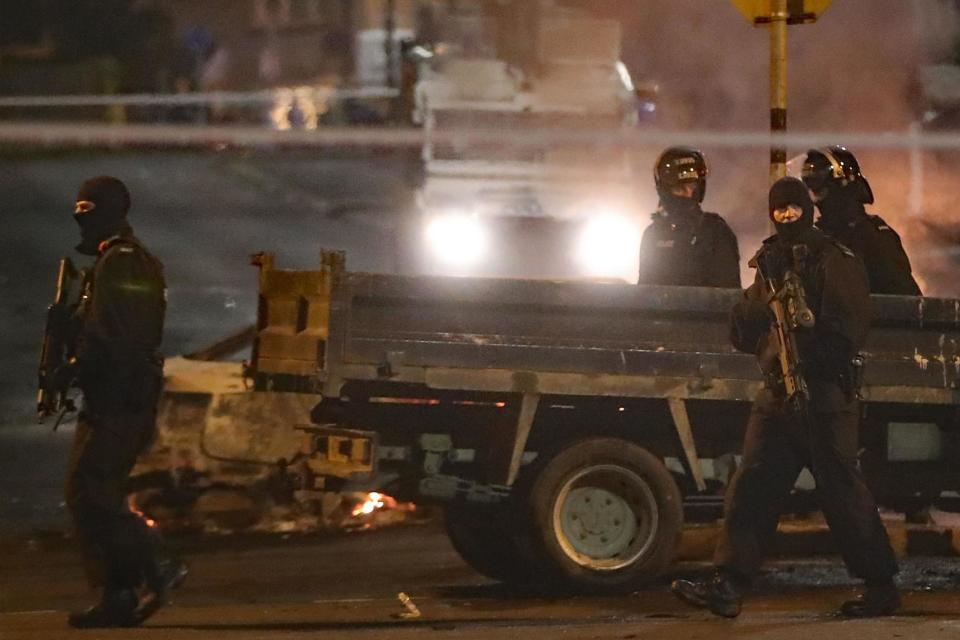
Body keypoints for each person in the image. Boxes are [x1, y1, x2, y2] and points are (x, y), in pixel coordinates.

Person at [671, 177, 900, 618]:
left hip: (825, 397)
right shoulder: (770, 261)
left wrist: (805, 343)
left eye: (795, 209)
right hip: (778, 395)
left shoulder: (835, 260)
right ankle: (729, 584)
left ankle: (880, 585)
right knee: (752, 487)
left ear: (807, 210)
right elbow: (741, 334)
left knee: (842, 492)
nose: (788, 217)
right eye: (780, 211)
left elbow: (848, 330)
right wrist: (759, 307)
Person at [58, 176, 187, 628]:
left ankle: (156, 563)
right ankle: (118, 594)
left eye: (88, 213)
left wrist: (81, 365)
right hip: (112, 396)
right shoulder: (115, 261)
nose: (82, 223)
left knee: (90, 490)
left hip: (121, 397)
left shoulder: (125, 262)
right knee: (90, 492)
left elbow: (123, 337)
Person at [802, 146, 921, 295]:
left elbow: (905, 303)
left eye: (819, 190)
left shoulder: (874, 238)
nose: (815, 198)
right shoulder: (815, 238)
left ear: (840, 185)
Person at [638, 147, 741, 287]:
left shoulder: (716, 231)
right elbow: (644, 293)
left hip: (707, 309)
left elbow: (728, 293)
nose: (688, 194)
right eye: (680, 189)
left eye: (692, 187)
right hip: (663, 309)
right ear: (665, 191)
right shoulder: (653, 235)